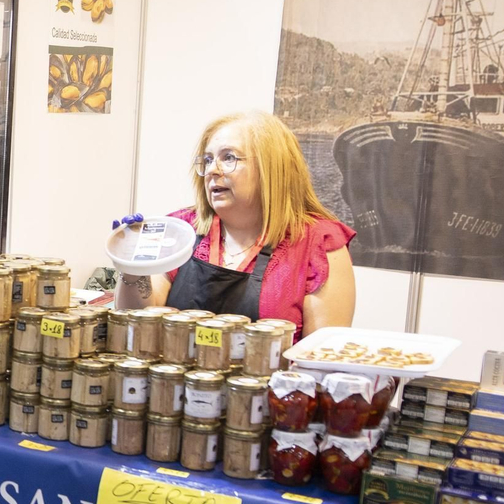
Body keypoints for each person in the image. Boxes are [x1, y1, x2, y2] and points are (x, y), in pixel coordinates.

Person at [115, 111, 356, 336]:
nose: (212, 170)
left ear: (272, 168)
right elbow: (136, 320)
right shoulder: (181, 229)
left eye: (228, 157)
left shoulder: (318, 243)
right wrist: (133, 266)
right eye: (208, 160)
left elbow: (319, 357)